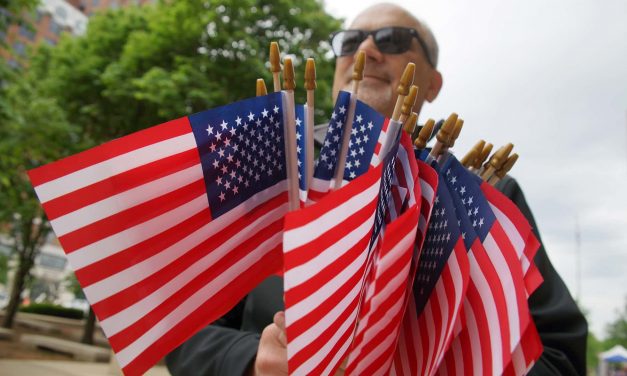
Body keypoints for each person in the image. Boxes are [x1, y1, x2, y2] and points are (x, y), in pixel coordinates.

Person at [166, 3, 587, 375]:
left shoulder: (488, 197)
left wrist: (437, 360)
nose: (366, 51)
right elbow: (182, 330)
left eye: (393, 38)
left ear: (433, 83)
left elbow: (560, 356)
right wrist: (253, 360)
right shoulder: (271, 170)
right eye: (350, 41)